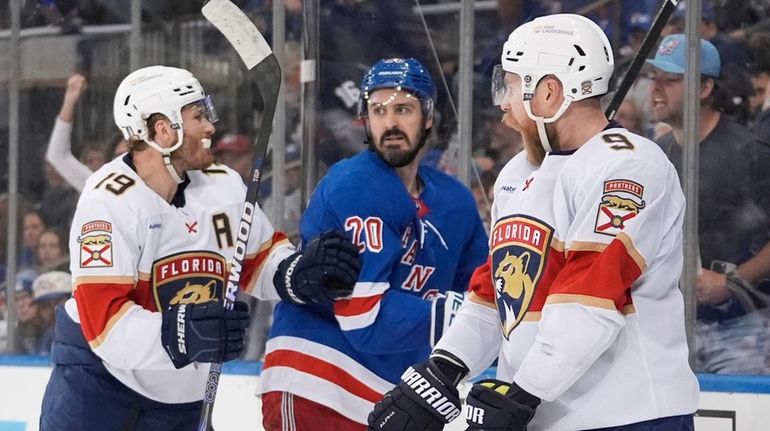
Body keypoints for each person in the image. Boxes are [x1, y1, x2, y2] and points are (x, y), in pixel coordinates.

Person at [369, 14, 699, 431]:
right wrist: (444, 368)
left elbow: (590, 300)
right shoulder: (518, 173)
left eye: (510, 85)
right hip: (541, 413)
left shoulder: (629, 166)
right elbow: (498, 292)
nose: (503, 103)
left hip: (629, 417)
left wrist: (521, 394)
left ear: (549, 92)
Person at [39, 65, 362, 430]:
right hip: (100, 390)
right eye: (198, 116)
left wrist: (293, 274)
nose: (211, 127)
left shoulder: (223, 185)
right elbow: (105, 327)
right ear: (163, 129)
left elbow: (257, 258)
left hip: (184, 401)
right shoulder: (109, 201)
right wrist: (180, 334)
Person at [258, 57, 489, 430]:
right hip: (319, 383)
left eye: (403, 109)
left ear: (428, 117)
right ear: (365, 120)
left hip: (399, 396)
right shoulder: (356, 184)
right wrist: (461, 315)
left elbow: (483, 292)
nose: (390, 123)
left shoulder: (455, 201)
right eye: (378, 110)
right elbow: (366, 318)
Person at [647, 34, 770, 374]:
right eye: (653, 77)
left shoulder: (750, 154)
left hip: (743, 328)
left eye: (670, 80)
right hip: (676, 326)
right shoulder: (657, 153)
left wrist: (734, 282)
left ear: (704, 89)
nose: (656, 88)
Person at [30, 271, 72, 355]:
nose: (53, 310)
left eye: (57, 302)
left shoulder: (84, 335)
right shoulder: (32, 334)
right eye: (45, 305)